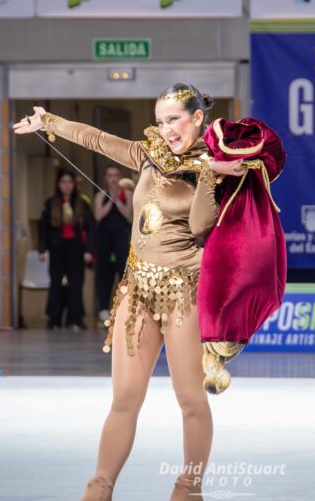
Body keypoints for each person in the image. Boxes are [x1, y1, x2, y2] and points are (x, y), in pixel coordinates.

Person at [14, 83, 246, 500]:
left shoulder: (216, 166)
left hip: (184, 293)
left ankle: (189, 488)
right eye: (160, 121)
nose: (166, 129)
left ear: (196, 118)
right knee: (123, 398)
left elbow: (200, 229)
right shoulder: (147, 154)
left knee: (190, 398)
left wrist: (209, 174)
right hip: (137, 291)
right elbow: (97, 139)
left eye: (174, 119)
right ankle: (99, 487)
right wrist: (47, 121)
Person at [39, 170, 95, 332]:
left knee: (76, 284)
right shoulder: (50, 203)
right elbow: (44, 229)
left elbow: (90, 228)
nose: (66, 185)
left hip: (76, 249)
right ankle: (54, 318)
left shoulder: (81, 203)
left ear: (74, 185)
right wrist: (42, 250)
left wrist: (89, 250)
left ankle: (76, 318)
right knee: (56, 284)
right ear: (58, 184)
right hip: (57, 248)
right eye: (63, 182)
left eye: (69, 182)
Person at [92, 164, 132, 325]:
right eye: (110, 175)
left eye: (116, 175)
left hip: (121, 238)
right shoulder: (100, 195)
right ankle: (103, 308)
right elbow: (98, 216)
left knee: (123, 273)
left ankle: (124, 307)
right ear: (105, 178)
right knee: (104, 274)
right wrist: (110, 200)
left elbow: (128, 214)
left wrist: (117, 199)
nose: (113, 178)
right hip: (104, 239)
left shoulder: (127, 194)